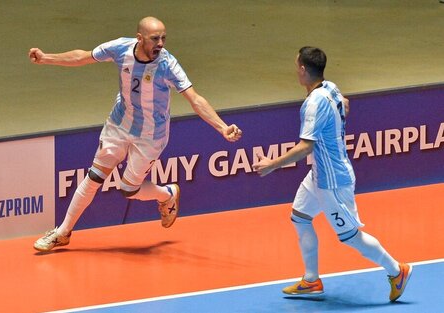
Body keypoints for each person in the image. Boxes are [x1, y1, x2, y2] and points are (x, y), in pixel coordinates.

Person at [30, 16, 242, 252]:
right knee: (94, 177)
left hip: (151, 134)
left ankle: (167, 193)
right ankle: (62, 233)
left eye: (163, 38)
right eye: (154, 38)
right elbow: (83, 56)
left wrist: (222, 127)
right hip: (120, 123)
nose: (160, 43)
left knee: (128, 189)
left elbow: (195, 99)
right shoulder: (121, 48)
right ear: (140, 38)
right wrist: (46, 58)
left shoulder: (167, 65)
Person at [252, 46, 411, 302]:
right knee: (300, 217)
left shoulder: (312, 104)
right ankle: (311, 281)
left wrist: (272, 164)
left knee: (351, 238)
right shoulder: (330, 87)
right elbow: (345, 105)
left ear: (303, 70)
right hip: (319, 174)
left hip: (333, 181)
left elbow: (306, 147)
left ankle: (397, 271)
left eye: (296, 67)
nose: (296, 71)